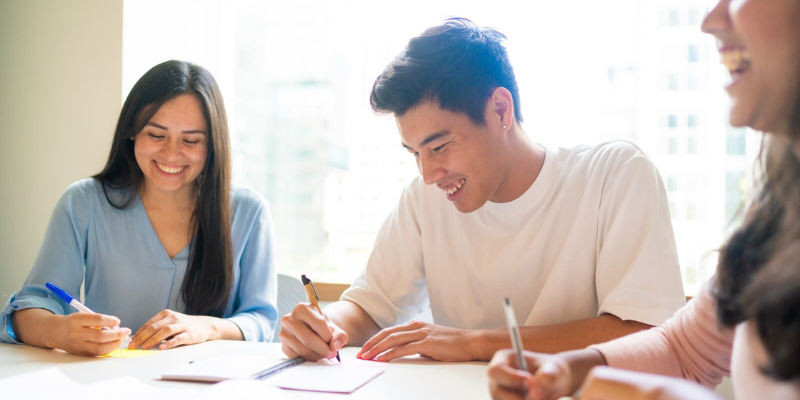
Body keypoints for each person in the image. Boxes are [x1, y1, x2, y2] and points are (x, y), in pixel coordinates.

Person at [279, 18, 685, 363]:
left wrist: (474, 343)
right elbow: (369, 308)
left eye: (438, 147)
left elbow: (645, 336)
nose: (428, 173)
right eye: (414, 153)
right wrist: (324, 326)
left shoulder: (614, 176)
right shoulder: (425, 200)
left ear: (501, 111)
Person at [487, 0, 800, 399]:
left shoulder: (617, 169)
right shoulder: (778, 210)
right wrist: (569, 369)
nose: (710, 21)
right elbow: (685, 350)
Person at [0, 60, 278, 356]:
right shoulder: (83, 203)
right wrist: (61, 331)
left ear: (213, 145)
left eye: (191, 140)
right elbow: (26, 312)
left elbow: (261, 321)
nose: (171, 153)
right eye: (156, 135)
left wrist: (207, 328)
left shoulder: (250, 212)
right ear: (132, 132)